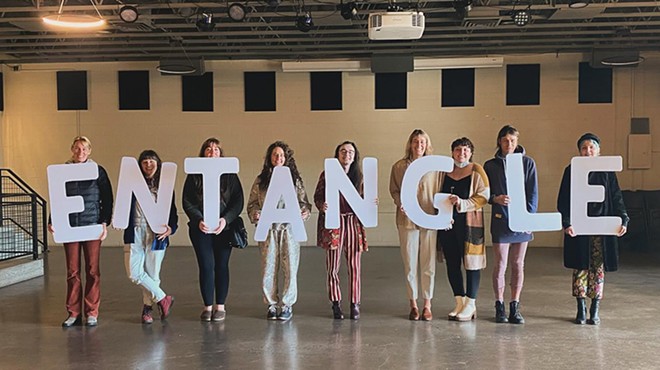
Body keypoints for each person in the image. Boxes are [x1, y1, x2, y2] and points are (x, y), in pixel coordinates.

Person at [557, 133, 628, 325]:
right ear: (579, 151)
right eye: (584, 148)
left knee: (598, 268)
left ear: (598, 150)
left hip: (601, 228)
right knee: (580, 267)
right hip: (579, 228)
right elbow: (563, 199)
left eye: (592, 147)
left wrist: (623, 219)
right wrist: (567, 222)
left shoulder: (607, 172)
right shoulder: (571, 170)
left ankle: (595, 309)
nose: (588, 151)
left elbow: (616, 197)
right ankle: (581, 309)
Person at [48, 136, 114, 327]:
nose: (80, 152)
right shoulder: (63, 171)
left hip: (91, 226)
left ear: (90, 151)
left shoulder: (98, 171)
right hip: (70, 227)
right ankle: (74, 313)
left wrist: (104, 223)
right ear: (71, 149)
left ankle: (92, 312)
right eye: (77, 148)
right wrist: (53, 220)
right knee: (72, 271)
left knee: (93, 271)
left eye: (84, 149)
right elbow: (58, 197)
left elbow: (107, 198)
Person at [247, 141, 311, 321]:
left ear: (287, 158)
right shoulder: (261, 181)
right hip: (268, 229)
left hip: (289, 229)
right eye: (275, 155)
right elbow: (252, 203)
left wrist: (304, 212)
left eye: (281, 155)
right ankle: (272, 304)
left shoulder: (295, 180)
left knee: (290, 266)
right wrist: (255, 213)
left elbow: (304, 202)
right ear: (269, 158)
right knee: (268, 266)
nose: (278, 158)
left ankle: (287, 304)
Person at [183, 138, 244, 322]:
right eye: (208, 149)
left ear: (221, 154)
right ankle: (207, 306)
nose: (212, 152)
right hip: (200, 229)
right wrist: (198, 219)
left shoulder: (230, 174)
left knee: (221, 266)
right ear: (203, 153)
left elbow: (238, 201)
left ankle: (220, 306)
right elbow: (187, 201)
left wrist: (226, 220)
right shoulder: (194, 174)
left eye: (216, 149)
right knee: (206, 266)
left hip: (223, 229)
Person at [483, 125, 538, 324]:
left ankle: (515, 305)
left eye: (513, 141)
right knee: (500, 265)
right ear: (499, 141)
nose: (509, 144)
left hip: (522, 222)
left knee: (518, 264)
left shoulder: (528, 163)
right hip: (501, 221)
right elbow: (483, 192)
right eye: (506, 140)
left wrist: (529, 218)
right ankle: (499, 306)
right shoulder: (490, 165)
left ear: (517, 142)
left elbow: (533, 192)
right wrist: (495, 199)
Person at [314, 141, 371, 320]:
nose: (347, 154)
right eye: (343, 151)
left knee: (355, 265)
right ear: (337, 154)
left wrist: (371, 203)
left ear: (355, 156)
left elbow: (365, 199)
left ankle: (355, 303)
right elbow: (318, 195)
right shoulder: (327, 174)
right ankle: (336, 302)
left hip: (353, 222)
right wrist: (321, 205)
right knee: (333, 266)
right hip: (334, 224)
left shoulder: (359, 176)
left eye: (351, 152)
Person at [389, 129, 441, 321]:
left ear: (427, 144)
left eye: (423, 142)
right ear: (410, 144)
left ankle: (427, 303)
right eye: (415, 141)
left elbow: (440, 191)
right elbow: (394, 190)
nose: (419, 145)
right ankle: (413, 303)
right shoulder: (399, 166)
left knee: (428, 264)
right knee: (410, 264)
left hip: (428, 219)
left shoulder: (435, 167)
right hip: (407, 220)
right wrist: (399, 202)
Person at [437, 137, 489, 322]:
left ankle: (471, 303)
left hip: (469, 222)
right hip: (447, 223)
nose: (462, 153)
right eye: (458, 150)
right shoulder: (444, 171)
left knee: (472, 263)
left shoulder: (477, 170)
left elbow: (484, 196)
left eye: (466, 150)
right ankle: (459, 301)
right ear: (452, 152)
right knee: (452, 262)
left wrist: (462, 203)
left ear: (471, 152)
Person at [122, 150, 177, 324]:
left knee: (153, 274)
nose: (148, 165)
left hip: (157, 235)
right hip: (135, 231)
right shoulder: (130, 186)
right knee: (134, 272)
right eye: (144, 162)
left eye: (151, 161)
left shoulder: (165, 186)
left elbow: (173, 213)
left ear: (158, 163)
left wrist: (171, 229)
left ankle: (147, 309)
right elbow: (122, 208)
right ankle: (162, 298)